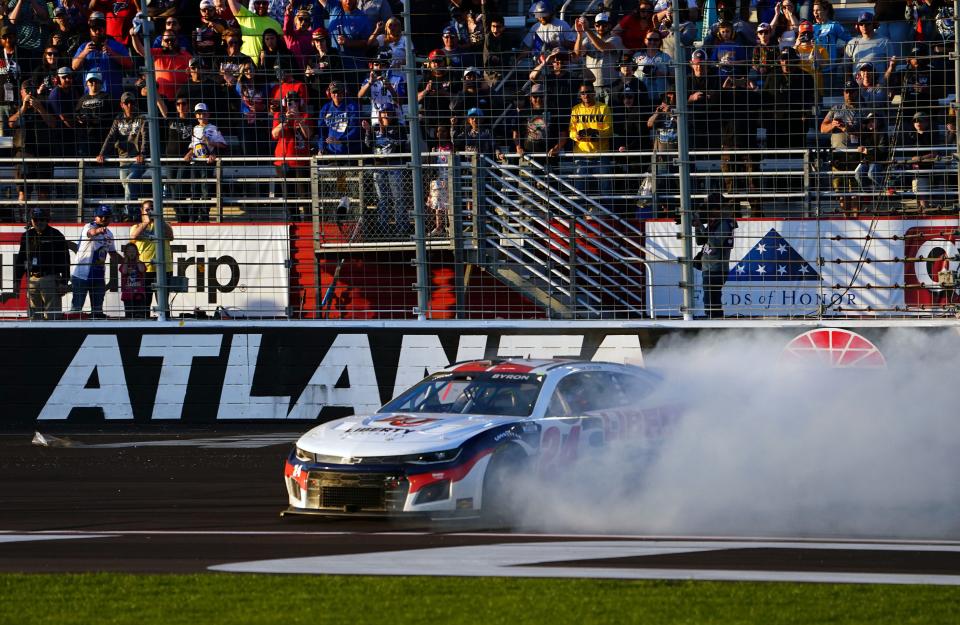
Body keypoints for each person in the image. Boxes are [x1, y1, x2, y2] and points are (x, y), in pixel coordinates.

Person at [96, 91, 147, 221]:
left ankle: (128, 215)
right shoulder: (118, 119)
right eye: (127, 103)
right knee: (127, 186)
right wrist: (102, 153)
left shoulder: (142, 118)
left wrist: (142, 153)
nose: (130, 105)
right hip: (123, 160)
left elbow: (145, 136)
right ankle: (135, 214)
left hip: (138, 160)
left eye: (132, 102)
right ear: (121, 104)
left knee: (129, 183)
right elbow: (110, 137)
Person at [13, 207, 70, 319]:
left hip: (50, 278)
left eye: (42, 219)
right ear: (31, 221)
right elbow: (21, 259)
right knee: (34, 317)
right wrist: (17, 280)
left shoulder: (56, 235)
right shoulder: (27, 236)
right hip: (32, 280)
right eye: (36, 220)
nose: (39, 222)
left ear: (47, 220)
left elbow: (65, 259)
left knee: (53, 316)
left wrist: (64, 281)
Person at [9, 79, 56, 211]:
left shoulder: (45, 103)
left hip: (44, 152)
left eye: (32, 90)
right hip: (23, 152)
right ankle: (24, 219)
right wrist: (23, 108)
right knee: (23, 191)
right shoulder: (16, 106)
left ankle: (43, 219)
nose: (30, 93)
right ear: (21, 92)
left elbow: (53, 124)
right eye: (27, 90)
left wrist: (39, 108)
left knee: (44, 192)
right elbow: (11, 123)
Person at [362, 103, 408, 237]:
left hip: (395, 165)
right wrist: (368, 131)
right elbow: (368, 144)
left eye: (388, 112)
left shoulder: (399, 127)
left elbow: (401, 141)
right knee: (382, 198)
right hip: (379, 166)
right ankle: (384, 228)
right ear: (379, 114)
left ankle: (402, 228)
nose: (386, 114)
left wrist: (385, 131)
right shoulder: (374, 127)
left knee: (398, 198)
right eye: (383, 112)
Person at [70, 204, 121, 318]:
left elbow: (112, 254)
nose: (103, 219)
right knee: (76, 310)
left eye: (106, 217)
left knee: (97, 312)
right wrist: (99, 230)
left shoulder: (109, 234)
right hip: (81, 275)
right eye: (101, 216)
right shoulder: (88, 226)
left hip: (98, 276)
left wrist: (128, 261)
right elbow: (91, 233)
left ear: (110, 218)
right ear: (95, 217)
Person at [820, 80, 862, 215]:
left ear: (857, 92)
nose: (849, 94)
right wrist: (833, 125)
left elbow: (869, 131)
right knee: (840, 190)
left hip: (856, 154)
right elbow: (822, 128)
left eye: (852, 91)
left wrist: (848, 128)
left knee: (854, 190)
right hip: (838, 155)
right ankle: (846, 216)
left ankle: (856, 217)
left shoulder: (864, 109)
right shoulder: (835, 109)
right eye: (846, 91)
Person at [71, 11, 133, 99]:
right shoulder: (84, 47)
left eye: (99, 29)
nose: (97, 32)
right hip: (91, 98)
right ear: (89, 30)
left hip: (113, 97)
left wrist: (112, 53)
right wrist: (85, 52)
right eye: (94, 29)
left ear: (104, 28)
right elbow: (74, 66)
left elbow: (129, 65)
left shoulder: (116, 45)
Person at [271, 90, 314, 217]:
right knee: (288, 197)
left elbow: (308, 135)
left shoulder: (305, 116)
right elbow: (274, 134)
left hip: (301, 161)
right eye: (290, 102)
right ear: (285, 103)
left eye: (295, 101)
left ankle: (308, 222)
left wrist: (298, 119)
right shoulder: (279, 115)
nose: (292, 104)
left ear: (299, 103)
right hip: (283, 161)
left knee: (305, 196)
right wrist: (285, 121)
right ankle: (293, 221)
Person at [695, 193, 737, 319]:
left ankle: (715, 323)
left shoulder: (724, 223)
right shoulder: (715, 222)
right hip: (709, 267)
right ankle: (714, 321)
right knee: (709, 299)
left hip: (716, 268)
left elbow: (716, 243)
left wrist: (701, 226)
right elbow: (700, 241)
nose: (708, 210)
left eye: (710, 207)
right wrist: (698, 225)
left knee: (712, 300)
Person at [568, 82, 612, 201]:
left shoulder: (603, 108)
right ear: (580, 95)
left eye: (588, 92)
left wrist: (595, 134)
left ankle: (606, 216)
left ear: (594, 93)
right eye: (583, 93)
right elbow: (571, 131)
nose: (586, 95)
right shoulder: (576, 109)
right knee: (579, 190)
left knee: (605, 190)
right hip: (581, 155)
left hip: (600, 154)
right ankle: (579, 216)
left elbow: (608, 130)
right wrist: (576, 136)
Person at [129, 199, 175, 315]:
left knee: (163, 303)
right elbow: (134, 236)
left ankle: (165, 327)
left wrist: (159, 219)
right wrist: (145, 223)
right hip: (144, 270)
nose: (150, 212)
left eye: (153, 209)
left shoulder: (163, 225)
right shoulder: (136, 226)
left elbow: (170, 236)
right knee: (144, 302)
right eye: (147, 210)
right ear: (141, 211)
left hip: (163, 268)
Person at [184, 102, 227, 222]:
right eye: (198, 113)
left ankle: (204, 217)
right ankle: (192, 217)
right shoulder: (195, 128)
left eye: (203, 112)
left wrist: (211, 144)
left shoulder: (213, 128)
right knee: (194, 190)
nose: (201, 115)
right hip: (195, 163)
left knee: (205, 190)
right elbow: (194, 146)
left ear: (208, 114)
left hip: (207, 163)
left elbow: (223, 145)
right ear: (195, 116)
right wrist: (189, 153)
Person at [130, 27, 192, 103]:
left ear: (177, 41)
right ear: (162, 42)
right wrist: (134, 36)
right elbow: (140, 50)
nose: (169, 42)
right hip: (161, 100)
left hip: (181, 101)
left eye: (172, 40)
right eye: (167, 40)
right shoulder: (157, 53)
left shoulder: (186, 56)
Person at [574, 12, 623, 104]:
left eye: (604, 25)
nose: (601, 28)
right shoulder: (587, 39)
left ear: (609, 26)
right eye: (598, 25)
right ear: (595, 26)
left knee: (612, 114)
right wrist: (579, 35)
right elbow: (577, 53)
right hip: (593, 88)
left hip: (612, 86)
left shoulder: (615, 39)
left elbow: (603, 47)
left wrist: (587, 30)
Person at [902, 111, 938, 212]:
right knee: (917, 192)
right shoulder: (910, 135)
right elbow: (907, 153)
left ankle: (924, 213)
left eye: (920, 120)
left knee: (922, 193)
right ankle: (921, 212)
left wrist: (921, 158)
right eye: (915, 121)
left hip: (925, 168)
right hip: (913, 168)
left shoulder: (931, 134)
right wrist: (914, 158)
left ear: (927, 122)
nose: (918, 123)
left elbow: (935, 153)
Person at [227, 0, 283, 64]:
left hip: (267, 66)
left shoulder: (276, 24)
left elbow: (280, 46)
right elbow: (232, 2)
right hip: (246, 65)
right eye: (258, 3)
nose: (261, 5)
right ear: (254, 5)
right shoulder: (247, 16)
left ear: (268, 5)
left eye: (264, 3)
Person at [844, 12, 890, 79]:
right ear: (857, 26)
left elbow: (891, 65)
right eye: (861, 24)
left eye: (867, 24)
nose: (864, 26)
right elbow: (846, 66)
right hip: (857, 86)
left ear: (874, 24)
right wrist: (849, 82)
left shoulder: (885, 41)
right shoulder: (852, 43)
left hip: (879, 85)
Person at [118, 242, 148, 318]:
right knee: (129, 315)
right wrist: (126, 261)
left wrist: (137, 260)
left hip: (139, 293)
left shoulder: (140, 263)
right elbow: (124, 271)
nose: (131, 253)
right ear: (125, 253)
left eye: (133, 251)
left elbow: (142, 270)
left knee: (139, 315)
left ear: (137, 253)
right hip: (127, 293)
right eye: (129, 251)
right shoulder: (124, 264)